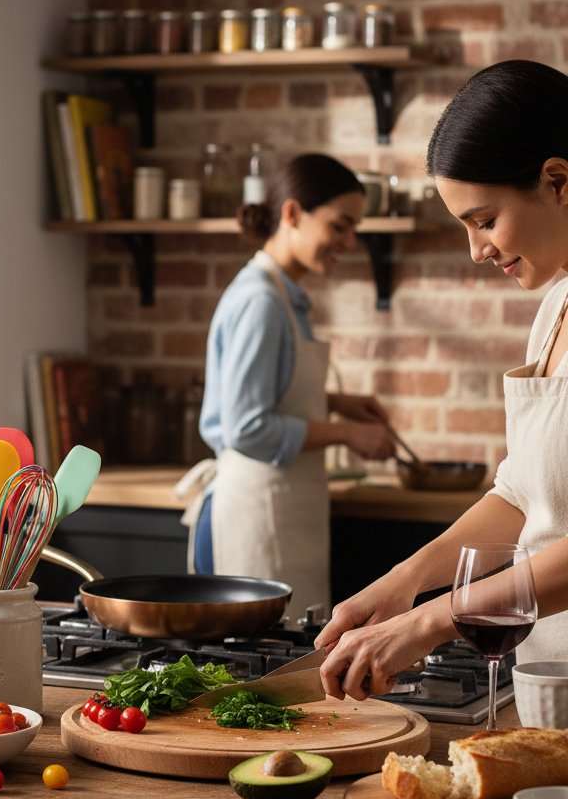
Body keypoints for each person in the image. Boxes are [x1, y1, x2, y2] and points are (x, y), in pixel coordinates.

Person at [317, 59, 568, 701]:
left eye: (484, 220)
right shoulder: (554, 311)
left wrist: (431, 620)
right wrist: (405, 580)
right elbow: (522, 496)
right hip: (548, 674)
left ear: (558, 181)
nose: (476, 250)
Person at [184, 153, 395, 616]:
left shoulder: (283, 296)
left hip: (276, 513)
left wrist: (336, 403)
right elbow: (247, 427)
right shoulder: (261, 301)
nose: (349, 242)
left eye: (354, 229)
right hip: (252, 518)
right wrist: (347, 433)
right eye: (339, 226)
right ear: (293, 213)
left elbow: (271, 394)